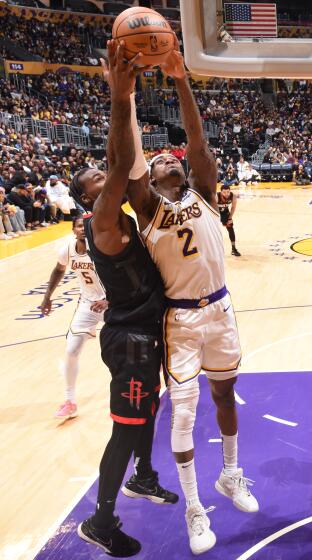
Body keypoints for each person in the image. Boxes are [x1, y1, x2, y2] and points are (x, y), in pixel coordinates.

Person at [127, 50, 255, 555]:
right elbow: (130, 160)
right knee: (183, 414)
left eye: (171, 158)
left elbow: (197, 141)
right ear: (152, 178)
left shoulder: (202, 192)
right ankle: (194, 510)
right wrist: (129, 96)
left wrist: (181, 81)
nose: (169, 161)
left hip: (222, 310)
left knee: (226, 396)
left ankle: (230, 473)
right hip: (180, 319)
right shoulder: (146, 210)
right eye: (159, 162)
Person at [67, 40, 177, 557]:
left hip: (143, 333)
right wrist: (121, 96)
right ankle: (101, 520)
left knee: (148, 416)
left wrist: (125, 100)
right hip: (130, 339)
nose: (101, 173)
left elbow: (119, 162)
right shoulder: (103, 219)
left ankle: (146, 477)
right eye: (94, 177)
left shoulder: (110, 213)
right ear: (89, 196)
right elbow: (122, 159)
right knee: (124, 433)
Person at [41, 216, 108, 420]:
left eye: (85, 226)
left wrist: (109, 300)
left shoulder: (102, 247)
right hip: (88, 304)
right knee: (71, 350)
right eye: (78, 226)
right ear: (73, 230)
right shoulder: (68, 249)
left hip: (113, 302)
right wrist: (47, 296)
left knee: (130, 346)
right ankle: (70, 401)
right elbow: (58, 270)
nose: (82, 229)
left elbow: (121, 276)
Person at [218, 183, 240, 257]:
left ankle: (233, 249)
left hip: (225, 213)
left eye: (228, 192)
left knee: (230, 228)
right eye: (224, 192)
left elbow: (233, 208)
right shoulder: (216, 196)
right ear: (221, 192)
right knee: (214, 230)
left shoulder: (233, 196)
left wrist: (230, 218)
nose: (226, 194)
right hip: (215, 213)